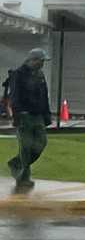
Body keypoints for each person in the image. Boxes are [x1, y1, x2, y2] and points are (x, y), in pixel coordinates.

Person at [6, 49, 51, 193]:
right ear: (33, 60)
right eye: (41, 61)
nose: (43, 64)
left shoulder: (40, 75)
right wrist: (17, 117)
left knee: (41, 143)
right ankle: (23, 179)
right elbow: (14, 97)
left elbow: (45, 96)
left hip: (38, 116)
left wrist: (47, 116)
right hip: (24, 116)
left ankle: (15, 164)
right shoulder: (18, 74)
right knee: (26, 148)